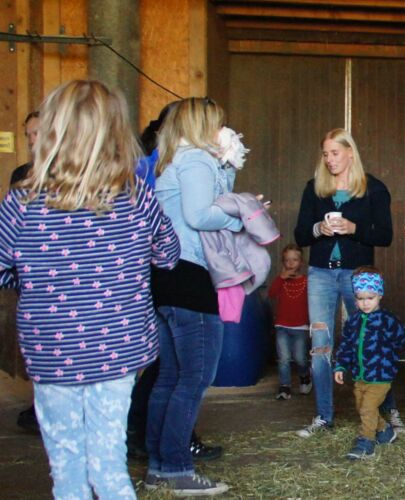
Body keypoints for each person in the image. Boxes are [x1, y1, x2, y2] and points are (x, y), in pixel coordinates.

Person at [0, 80, 180, 499]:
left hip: (52, 350)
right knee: (109, 465)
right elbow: (169, 255)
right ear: (117, 136)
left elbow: (3, 269)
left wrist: (32, 281)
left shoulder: (19, 204)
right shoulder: (138, 198)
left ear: (50, 132)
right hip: (118, 348)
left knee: (67, 471)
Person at [145, 97, 241, 495]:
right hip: (190, 276)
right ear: (203, 123)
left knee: (168, 378)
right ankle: (178, 469)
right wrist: (241, 218)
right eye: (218, 122)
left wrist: (227, 168)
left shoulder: (173, 159)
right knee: (196, 378)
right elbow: (201, 215)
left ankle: (158, 466)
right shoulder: (196, 160)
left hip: (164, 278)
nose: (223, 130)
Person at [292, 128, 394, 438]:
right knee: (321, 346)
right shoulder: (315, 188)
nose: (330, 159)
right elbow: (299, 235)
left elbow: (385, 236)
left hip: (357, 274)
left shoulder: (373, 188)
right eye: (325, 154)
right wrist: (317, 230)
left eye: (335, 153)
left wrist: (353, 227)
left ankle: (384, 414)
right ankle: (324, 416)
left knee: (372, 340)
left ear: (351, 153)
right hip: (321, 273)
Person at [333, 267, 405, 460]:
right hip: (360, 375)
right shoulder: (354, 321)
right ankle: (385, 432)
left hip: (381, 376)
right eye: (360, 298)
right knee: (362, 407)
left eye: (370, 298)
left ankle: (366, 443)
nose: (365, 303)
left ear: (379, 296)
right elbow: (346, 345)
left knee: (367, 408)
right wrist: (340, 365)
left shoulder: (387, 320)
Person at [8, 110, 40, 434]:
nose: (32, 140)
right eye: (28, 134)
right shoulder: (21, 175)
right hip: (29, 273)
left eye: (38, 133)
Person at [268, 243, 312, 400]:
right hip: (282, 326)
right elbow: (271, 293)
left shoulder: (307, 281)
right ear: (283, 262)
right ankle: (284, 386)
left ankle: (305, 375)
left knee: (300, 358)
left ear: (301, 262)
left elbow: (313, 302)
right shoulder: (281, 281)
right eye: (287, 260)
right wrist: (281, 278)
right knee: (284, 358)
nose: (291, 263)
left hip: (301, 327)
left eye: (295, 260)